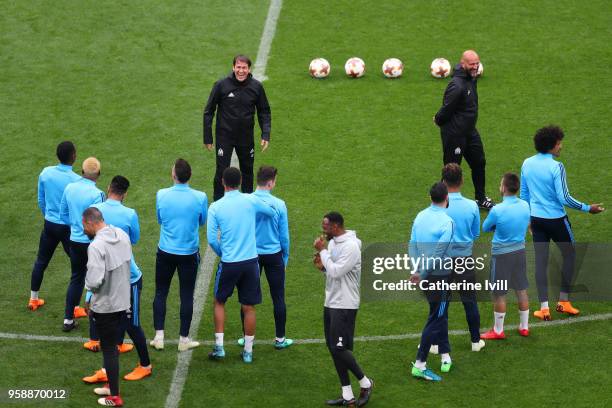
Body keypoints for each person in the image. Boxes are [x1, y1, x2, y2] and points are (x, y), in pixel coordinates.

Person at [520, 126, 604, 320]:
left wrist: (528, 220)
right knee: (570, 255)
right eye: (559, 143)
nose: (561, 147)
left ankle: (543, 308)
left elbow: (524, 194)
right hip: (557, 221)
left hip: (537, 220)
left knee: (540, 261)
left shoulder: (527, 163)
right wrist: (587, 208)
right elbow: (564, 197)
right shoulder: (556, 167)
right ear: (551, 146)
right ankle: (563, 301)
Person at [82, 176, 152, 384]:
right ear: (125, 194)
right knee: (117, 324)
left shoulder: (95, 209)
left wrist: (88, 295)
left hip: (117, 278)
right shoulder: (129, 214)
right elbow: (135, 239)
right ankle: (108, 370)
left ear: (109, 188)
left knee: (129, 324)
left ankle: (145, 365)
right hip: (124, 275)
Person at [206, 167, 276, 364]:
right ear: (240, 182)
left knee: (219, 301)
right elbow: (271, 211)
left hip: (229, 262)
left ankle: (219, 348)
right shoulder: (250, 200)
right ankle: (248, 352)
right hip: (251, 262)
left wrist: (223, 252)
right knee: (249, 306)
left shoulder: (216, 207)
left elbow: (212, 239)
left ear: (222, 182)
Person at [313, 212, 373, 407]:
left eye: (326, 227)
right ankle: (347, 395)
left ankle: (365, 382)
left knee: (339, 348)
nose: (324, 231)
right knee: (333, 348)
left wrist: (322, 252)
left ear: (336, 226)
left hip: (345, 304)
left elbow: (338, 271)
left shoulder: (351, 246)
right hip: (331, 302)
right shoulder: (333, 243)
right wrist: (323, 268)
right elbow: (332, 272)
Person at [151, 159, 207, 352]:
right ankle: (183, 340)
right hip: (189, 253)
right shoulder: (200, 197)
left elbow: (160, 219)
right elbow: (202, 221)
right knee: (186, 295)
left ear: (173, 175)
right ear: (189, 176)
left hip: (165, 251)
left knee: (161, 292)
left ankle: (159, 337)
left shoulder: (161, 194)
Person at [203, 54, 272, 201]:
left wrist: (265, 134)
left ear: (249, 69)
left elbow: (264, 111)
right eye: (238, 67)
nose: (241, 71)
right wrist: (207, 137)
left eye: (244, 68)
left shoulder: (256, 87)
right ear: (233, 67)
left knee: (247, 171)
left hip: (245, 137)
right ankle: (218, 204)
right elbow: (209, 111)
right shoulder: (221, 85)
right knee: (221, 172)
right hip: (224, 137)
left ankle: (247, 204)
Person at [237, 166, 292, 349]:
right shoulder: (279, 204)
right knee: (278, 297)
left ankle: (246, 338)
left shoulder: (246, 201)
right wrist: (285, 256)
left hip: (251, 255)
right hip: (274, 255)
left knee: (247, 298)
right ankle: (280, 339)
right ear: (270, 182)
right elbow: (284, 236)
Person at [82, 207, 131, 407]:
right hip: (122, 299)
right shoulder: (121, 234)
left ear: (91, 222)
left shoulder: (96, 246)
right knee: (111, 346)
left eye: (84, 225)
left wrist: (87, 299)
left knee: (109, 349)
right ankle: (111, 386)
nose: (83, 228)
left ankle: (115, 396)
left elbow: (94, 280)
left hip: (106, 305)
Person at [434, 50, 494, 210]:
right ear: (463, 64)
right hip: (454, 135)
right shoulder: (457, 85)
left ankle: (481, 198)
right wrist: (438, 119)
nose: (475, 67)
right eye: (472, 64)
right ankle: (441, 204)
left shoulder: (471, 78)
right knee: (451, 171)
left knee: (479, 162)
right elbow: (446, 109)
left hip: (470, 132)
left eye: (477, 63)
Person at [409, 182, 454, 381]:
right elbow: (438, 254)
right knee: (436, 317)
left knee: (439, 313)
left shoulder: (420, 216)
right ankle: (420, 364)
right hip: (439, 277)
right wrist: (423, 273)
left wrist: (416, 269)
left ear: (430, 198)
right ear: (447, 198)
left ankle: (445, 355)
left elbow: (412, 244)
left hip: (425, 277)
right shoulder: (447, 222)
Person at [28, 141, 80, 311]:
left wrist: (48, 216)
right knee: (78, 266)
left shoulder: (46, 173)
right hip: (67, 227)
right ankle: (76, 307)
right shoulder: (76, 181)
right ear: (73, 156)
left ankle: (33, 299)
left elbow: (41, 200)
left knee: (41, 261)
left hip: (50, 225)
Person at [481, 173, 531, 339]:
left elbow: (485, 227)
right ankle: (524, 327)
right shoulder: (525, 205)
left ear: (503, 188)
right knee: (521, 290)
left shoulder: (497, 210)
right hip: (520, 252)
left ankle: (498, 330)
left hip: (502, 256)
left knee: (499, 293)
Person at [440, 163, 485, 352]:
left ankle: (436, 344)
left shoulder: (439, 207)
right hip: (465, 261)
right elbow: (475, 234)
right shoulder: (472, 206)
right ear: (462, 181)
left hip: (443, 262)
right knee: (470, 301)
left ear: (443, 181)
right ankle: (475, 341)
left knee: (441, 304)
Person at [59, 157, 105, 332]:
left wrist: (75, 226)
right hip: (92, 242)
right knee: (98, 279)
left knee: (76, 278)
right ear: (98, 174)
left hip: (74, 240)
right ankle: (98, 321)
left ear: (82, 171)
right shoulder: (97, 194)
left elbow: (62, 214)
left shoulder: (70, 188)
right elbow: (100, 221)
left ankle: (68, 319)